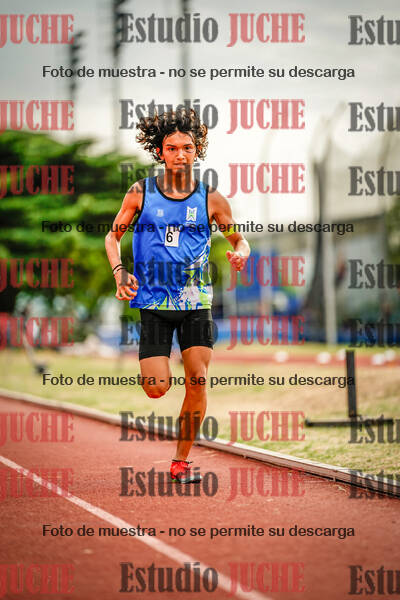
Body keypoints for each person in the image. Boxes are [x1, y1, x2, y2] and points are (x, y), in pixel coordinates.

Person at [105, 108, 250, 482]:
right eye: (172, 148)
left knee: (198, 379)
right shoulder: (140, 192)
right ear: (160, 152)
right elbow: (112, 237)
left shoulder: (211, 198)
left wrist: (241, 253)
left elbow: (239, 239)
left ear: (197, 150)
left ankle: (181, 462)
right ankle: (160, 367)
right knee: (156, 389)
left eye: (187, 147)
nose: (181, 154)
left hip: (195, 302)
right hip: (153, 303)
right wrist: (120, 271)